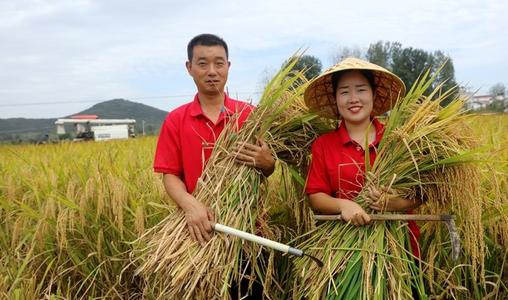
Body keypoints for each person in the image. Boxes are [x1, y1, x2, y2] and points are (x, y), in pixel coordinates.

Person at [153, 33, 275, 247]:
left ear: (228, 66)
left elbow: (267, 167)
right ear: (189, 67)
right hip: (198, 231)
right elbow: (170, 175)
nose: (211, 71)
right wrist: (190, 205)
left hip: (249, 228)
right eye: (202, 64)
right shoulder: (176, 119)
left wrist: (267, 163)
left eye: (218, 63)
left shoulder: (250, 115)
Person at [304, 57, 422, 256]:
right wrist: (343, 205)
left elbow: (421, 193)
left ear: (374, 94)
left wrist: (397, 203)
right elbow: (316, 196)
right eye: (344, 92)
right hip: (344, 248)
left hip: (401, 249)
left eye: (361, 89)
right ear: (335, 99)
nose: (353, 98)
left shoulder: (398, 141)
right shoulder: (323, 145)